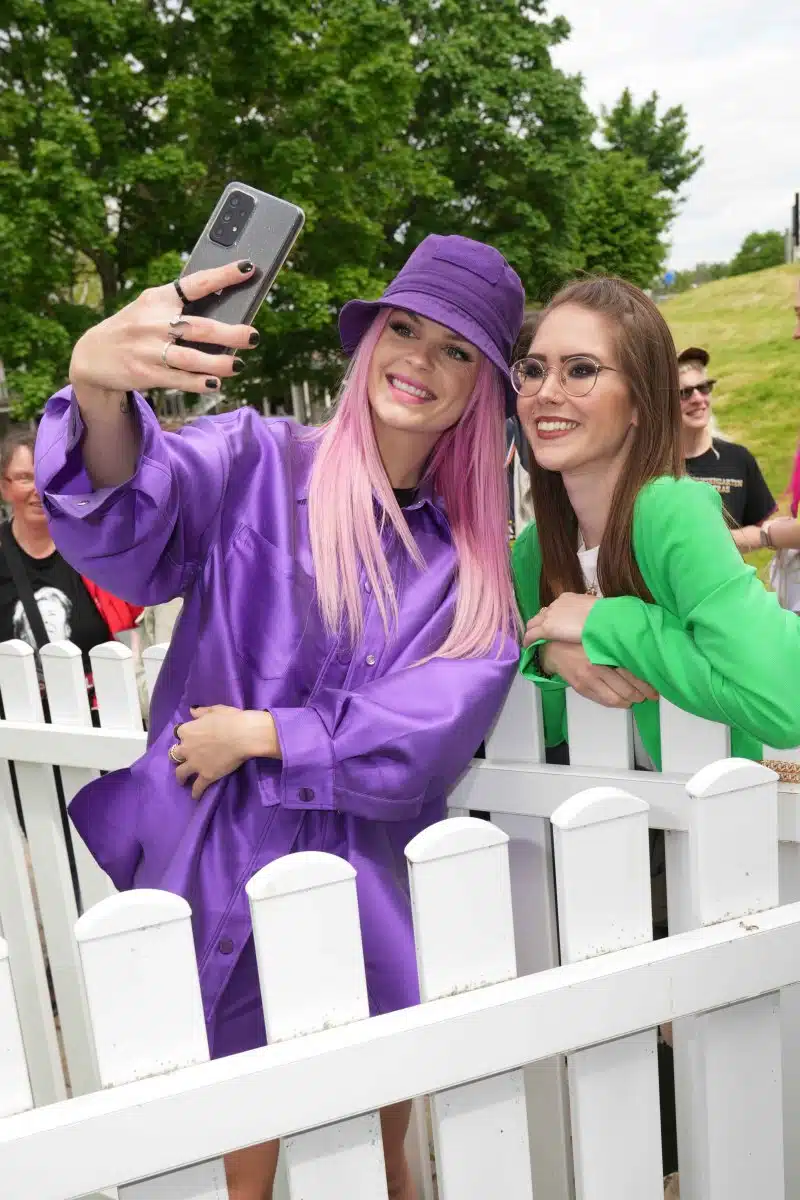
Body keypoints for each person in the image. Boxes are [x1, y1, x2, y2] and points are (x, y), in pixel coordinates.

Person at [34, 235, 523, 1200]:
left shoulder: (467, 570)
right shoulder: (256, 459)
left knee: (379, 1156)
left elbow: (431, 729)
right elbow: (133, 520)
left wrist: (263, 733)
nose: (420, 360)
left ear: (482, 391)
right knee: (225, 1165)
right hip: (207, 866)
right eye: (406, 329)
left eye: (457, 351)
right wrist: (96, 391)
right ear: (371, 339)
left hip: (358, 896)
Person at [510, 278, 800, 769]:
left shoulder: (674, 511)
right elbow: (545, 727)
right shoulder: (534, 549)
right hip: (604, 821)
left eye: (581, 370)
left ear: (641, 402)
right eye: (534, 370)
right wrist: (547, 656)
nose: (545, 392)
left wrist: (609, 622)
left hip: (723, 821)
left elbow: (781, 703)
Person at [0, 428, 141, 688]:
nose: (39, 490)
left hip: (101, 712)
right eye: (24, 478)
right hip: (16, 720)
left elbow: (132, 632)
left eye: (49, 478)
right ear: (4, 487)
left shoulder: (96, 550)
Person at [678, 346, 776, 553]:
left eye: (703, 388)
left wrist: (718, 538)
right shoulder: (649, 464)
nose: (698, 399)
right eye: (684, 393)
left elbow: (764, 529)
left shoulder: (737, 459)